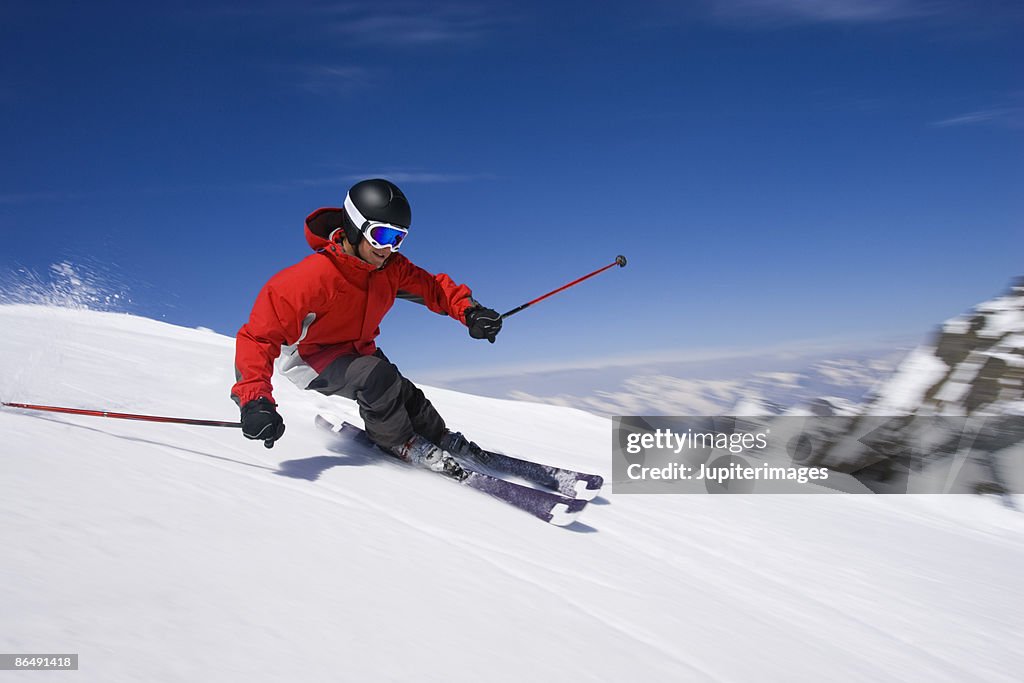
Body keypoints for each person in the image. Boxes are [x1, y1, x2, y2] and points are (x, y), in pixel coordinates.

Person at [231, 178, 502, 473]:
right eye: (381, 235)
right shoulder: (308, 279)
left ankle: (439, 437)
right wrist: (255, 401)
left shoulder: (389, 269)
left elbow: (433, 289)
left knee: (402, 390)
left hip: (360, 350)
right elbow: (257, 338)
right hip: (312, 358)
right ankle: (399, 442)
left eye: (398, 239)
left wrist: (471, 313)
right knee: (377, 377)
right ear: (354, 226)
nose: (387, 248)